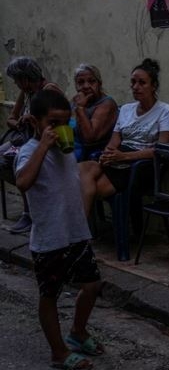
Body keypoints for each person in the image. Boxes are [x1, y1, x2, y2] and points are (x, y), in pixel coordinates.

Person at [15, 89, 104, 370]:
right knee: (49, 295)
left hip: (75, 233)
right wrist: (42, 146)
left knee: (92, 284)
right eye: (53, 123)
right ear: (36, 122)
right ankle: (59, 352)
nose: (60, 129)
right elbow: (23, 183)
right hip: (49, 240)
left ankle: (78, 331)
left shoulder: (66, 151)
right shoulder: (30, 151)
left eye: (65, 123)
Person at [79, 58, 169, 229]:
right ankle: (80, 231)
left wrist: (123, 157)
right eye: (133, 82)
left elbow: (161, 149)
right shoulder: (125, 109)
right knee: (81, 170)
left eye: (142, 83)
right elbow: (114, 141)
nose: (135, 87)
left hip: (141, 165)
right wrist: (107, 155)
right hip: (119, 159)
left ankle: (79, 233)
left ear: (153, 86)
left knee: (90, 188)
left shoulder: (165, 111)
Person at [4, 57, 64, 234]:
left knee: (18, 161)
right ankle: (30, 205)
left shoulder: (49, 90)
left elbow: (59, 121)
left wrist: (35, 122)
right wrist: (19, 123)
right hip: (26, 138)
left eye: (16, 80)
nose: (15, 84)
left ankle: (29, 212)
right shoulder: (27, 92)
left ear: (25, 78)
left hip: (47, 141)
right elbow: (11, 119)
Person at [71, 63, 119, 162]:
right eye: (81, 82)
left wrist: (80, 108)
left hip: (96, 156)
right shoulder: (76, 101)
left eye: (91, 81)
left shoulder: (107, 104)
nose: (86, 86)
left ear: (99, 84)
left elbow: (90, 137)